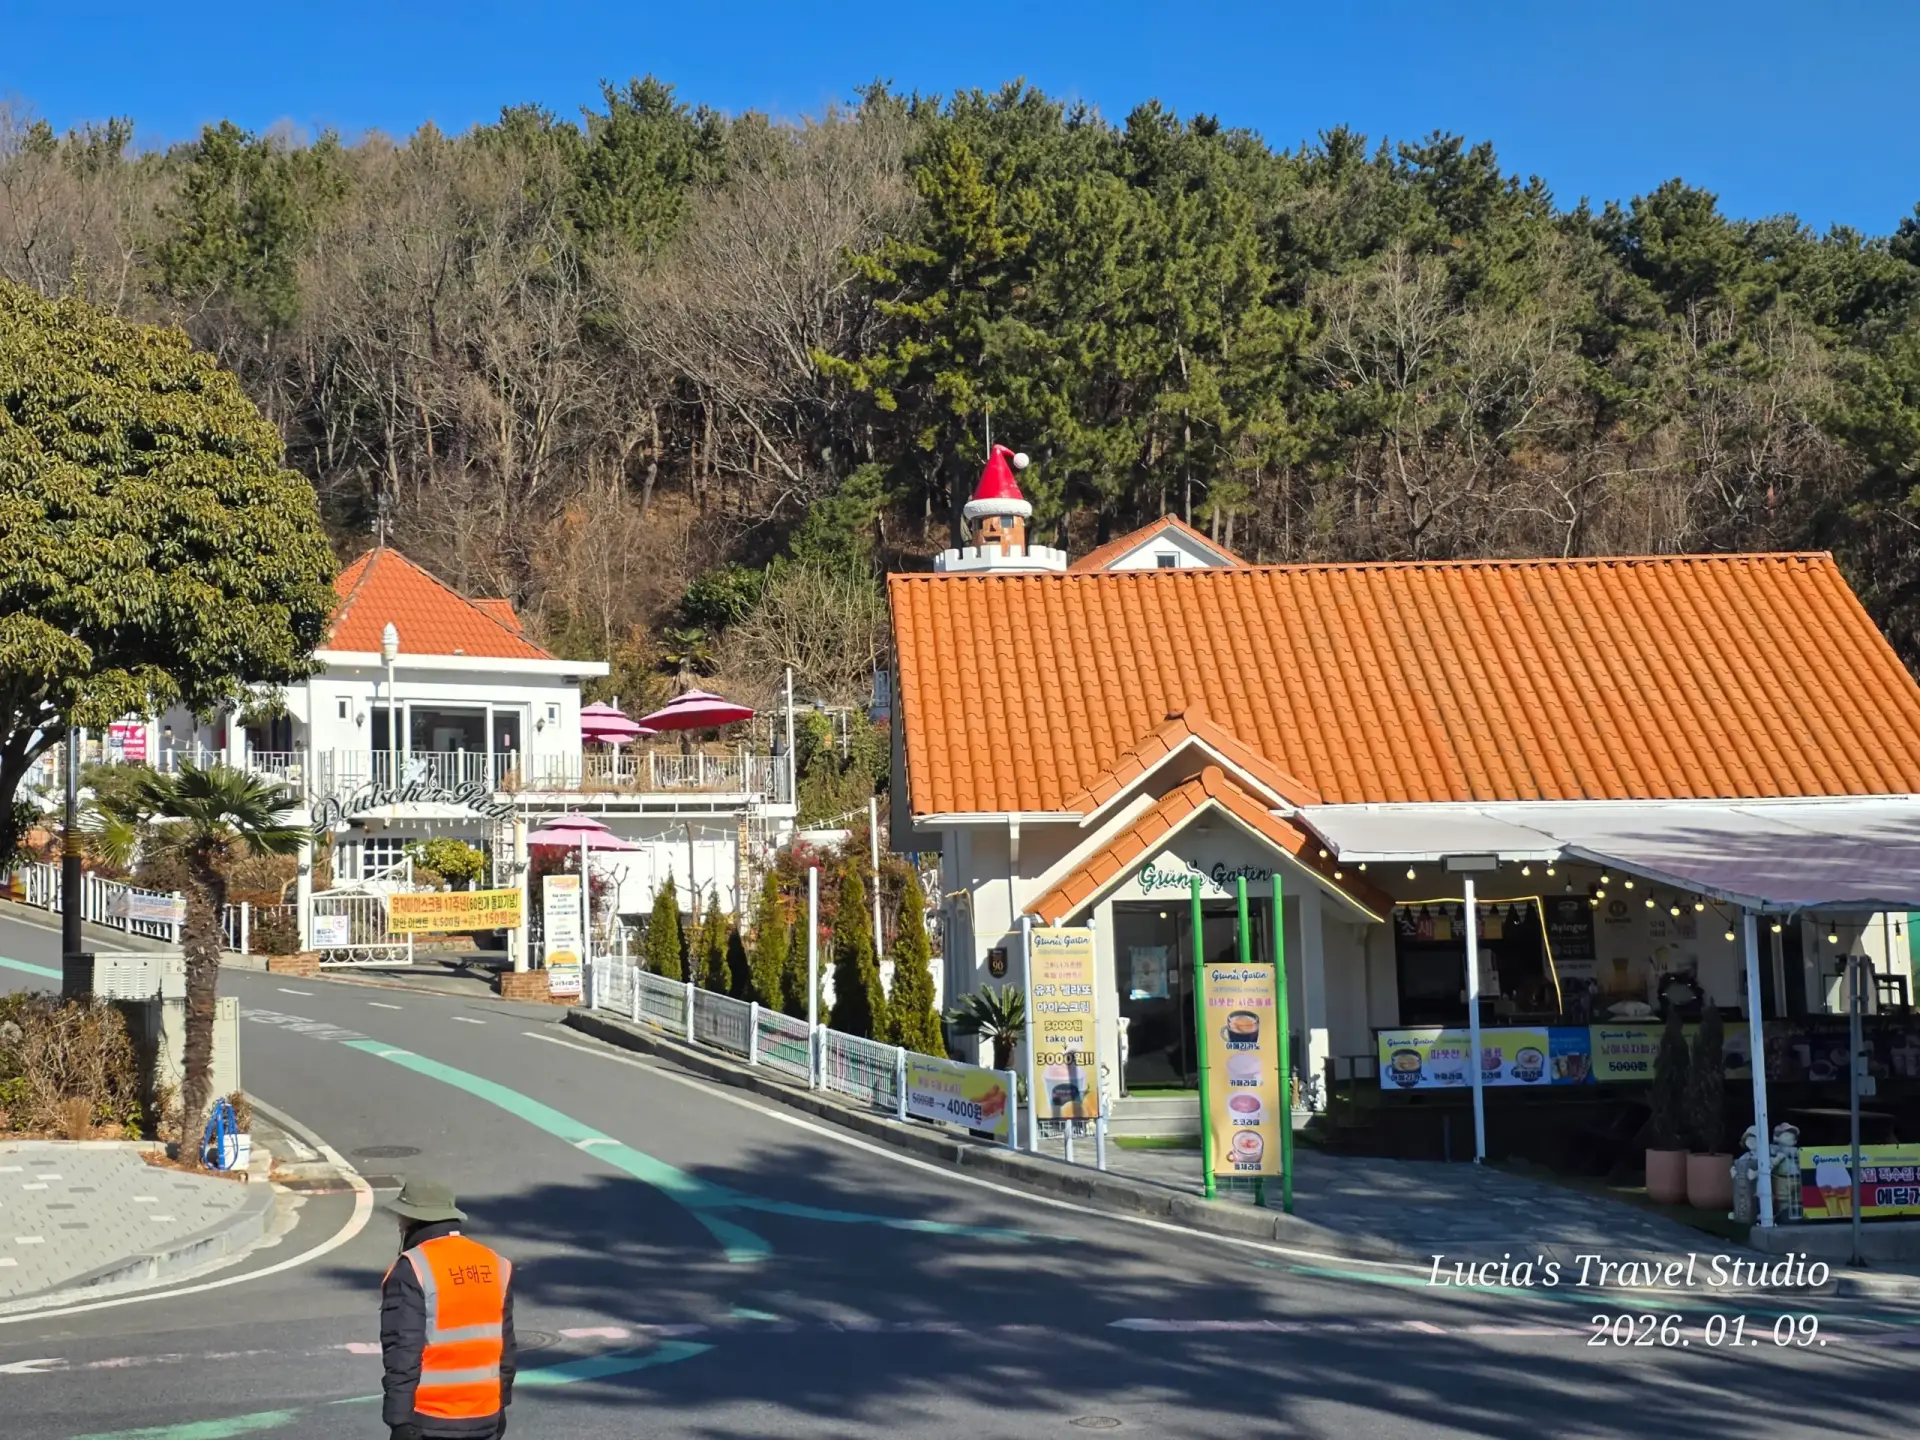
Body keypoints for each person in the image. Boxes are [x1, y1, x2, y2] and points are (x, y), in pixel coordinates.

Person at [382, 1177, 517, 1440]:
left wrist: (398, 1421)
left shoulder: (413, 1267)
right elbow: (506, 1347)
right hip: (485, 1414)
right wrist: (501, 1404)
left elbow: (403, 1350)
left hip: (430, 1417)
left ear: (411, 1220)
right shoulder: (495, 1263)